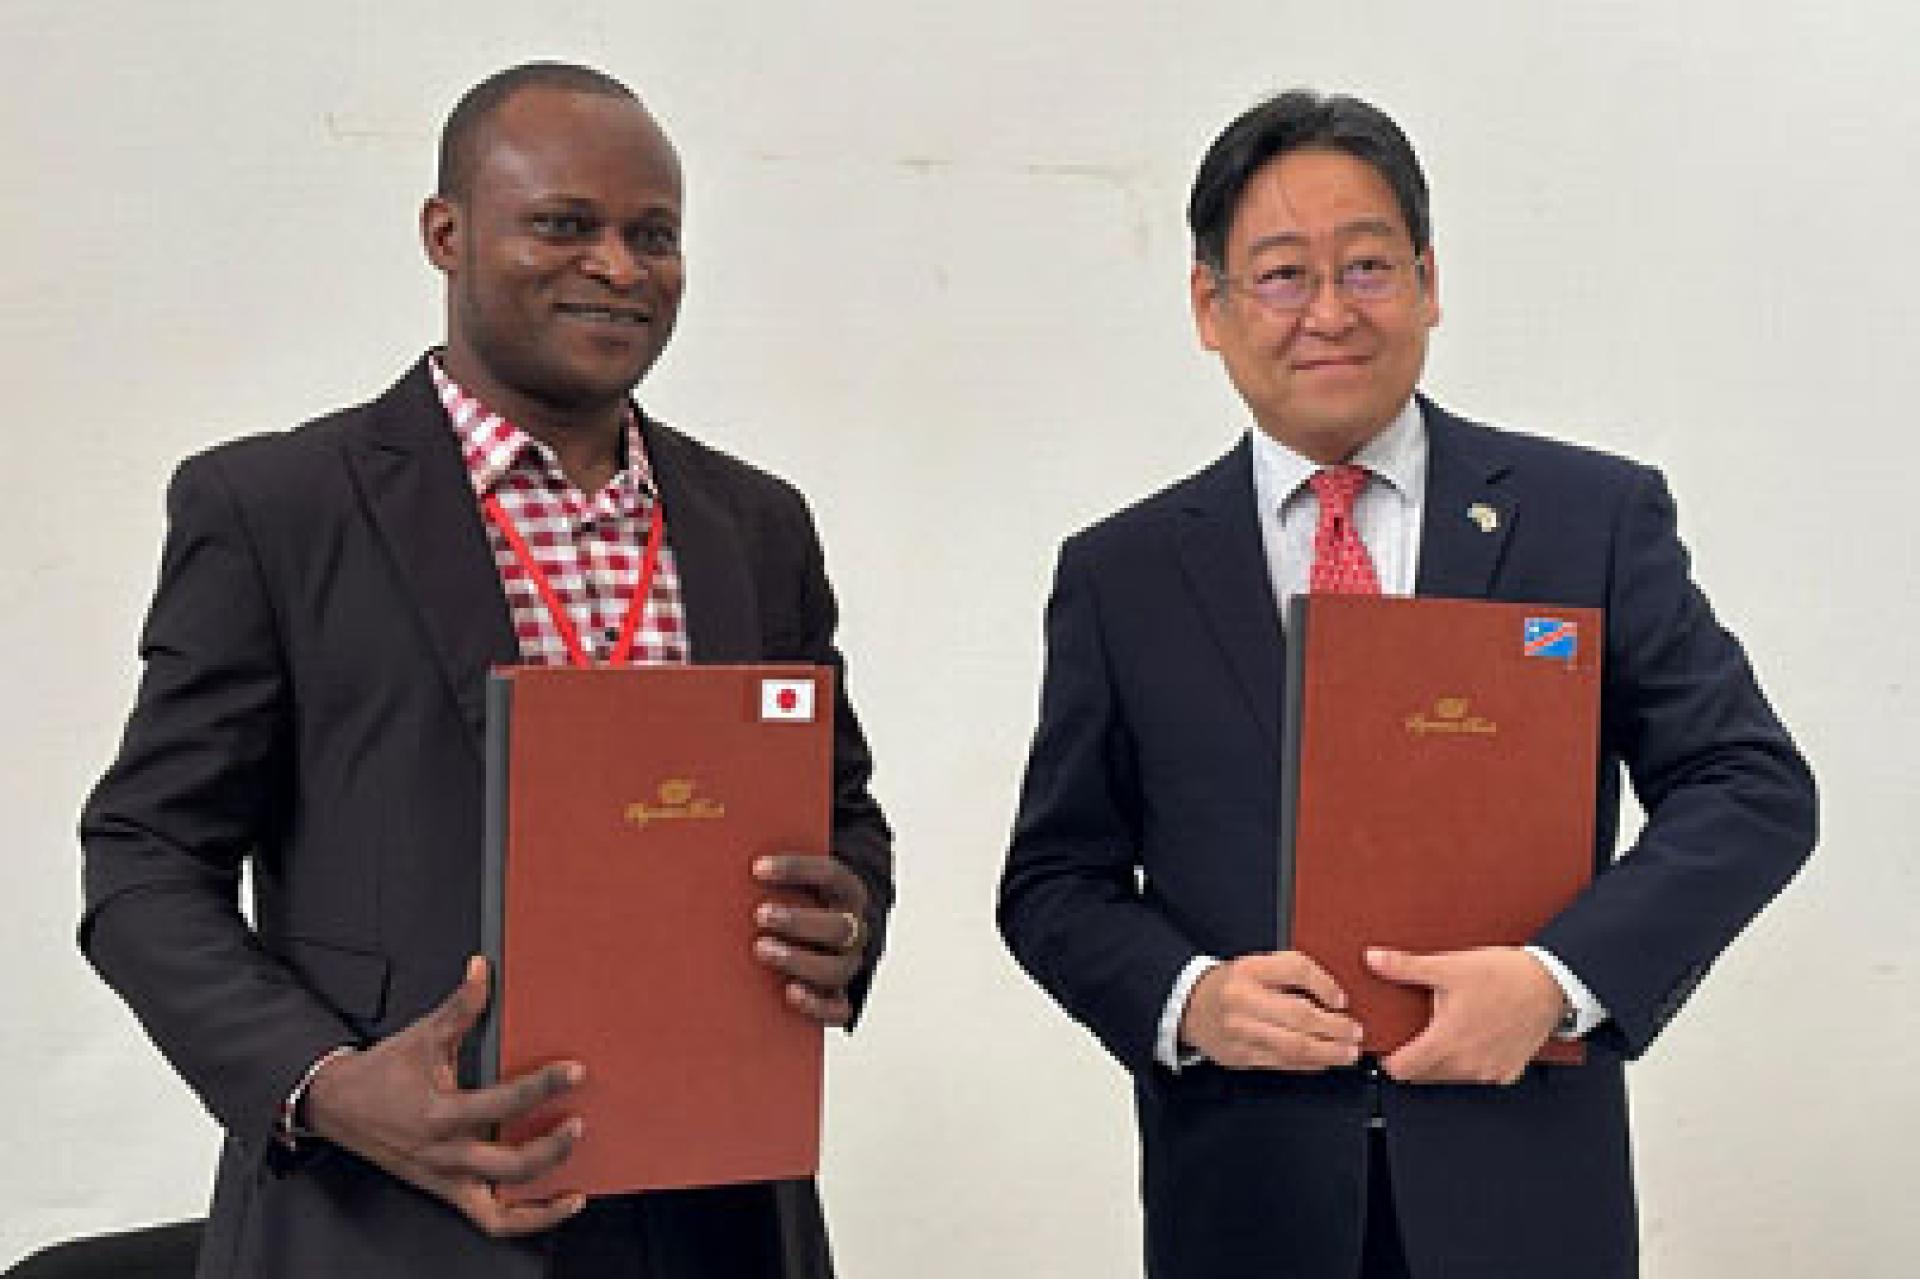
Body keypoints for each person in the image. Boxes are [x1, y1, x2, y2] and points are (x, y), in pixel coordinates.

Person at [79, 62, 892, 1279]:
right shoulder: (275, 508)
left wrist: (851, 919)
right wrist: (330, 1085)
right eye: (566, 224)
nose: (620, 266)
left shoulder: (755, 522)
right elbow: (144, 857)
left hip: (721, 1217)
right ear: (446, 234)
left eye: (654, 235)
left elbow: (842, 812)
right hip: (388, 1216)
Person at [997, 89, 1815, 1279]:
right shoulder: (1121, 575)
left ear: (1429, 280)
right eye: (1281, 274)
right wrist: (1194, 999)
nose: (1329, 311)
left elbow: (1749, 787)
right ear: (1208, 308)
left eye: (1368, 264)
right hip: (1245, 1199)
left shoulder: (1587, 518)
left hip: (1524, 1197)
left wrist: (1555, 981)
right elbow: (1055, 879)